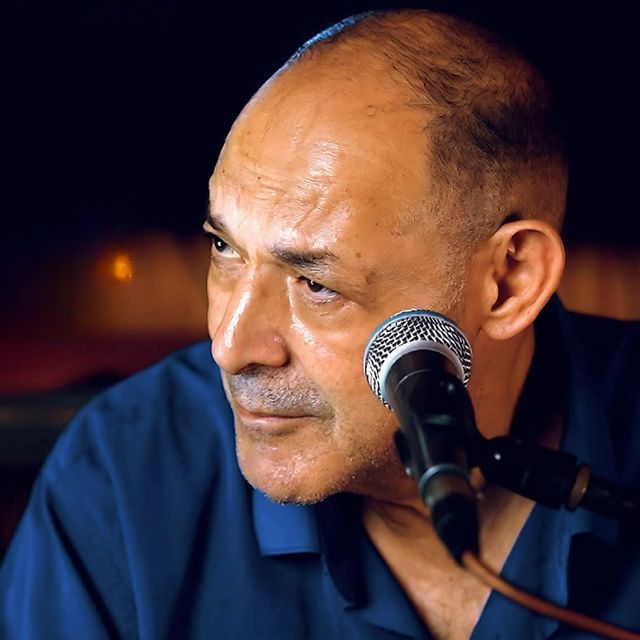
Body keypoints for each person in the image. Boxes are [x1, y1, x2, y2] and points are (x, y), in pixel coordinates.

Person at [1, 8, 639, 640]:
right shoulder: (119, 476)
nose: (230, 346)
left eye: (317, 285)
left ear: (508, 283)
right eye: (224, 249)